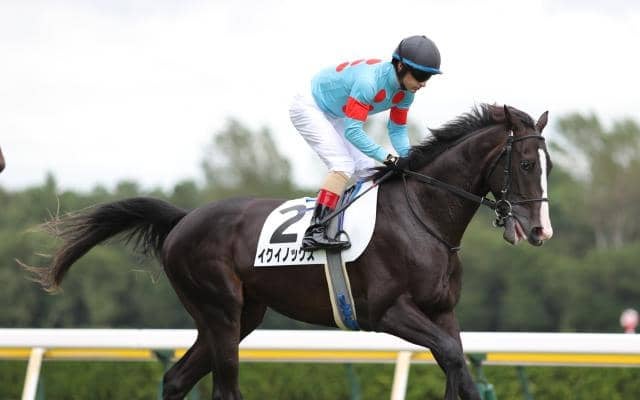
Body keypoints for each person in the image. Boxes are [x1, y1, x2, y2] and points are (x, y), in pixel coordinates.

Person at [289, 35, 442, 251]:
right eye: (421, 75)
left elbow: (397, 129)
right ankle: (315, 230)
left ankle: (358, 227)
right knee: (343, 164)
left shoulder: (407, 93)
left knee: (367, 170)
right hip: (310, 106)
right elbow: (353, 132)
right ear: (400, 66)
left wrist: (409, 158)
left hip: (338, 113)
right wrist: (389, 158)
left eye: (428, 77)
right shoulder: (368, 83)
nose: (424, 83)